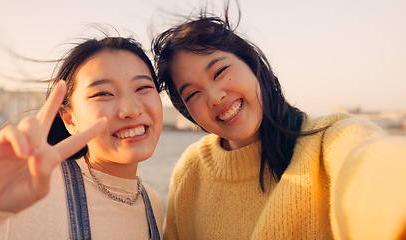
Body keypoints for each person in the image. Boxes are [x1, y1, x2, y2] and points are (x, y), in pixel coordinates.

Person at [152, 10, 406, 240]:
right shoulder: (191, 169)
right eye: (193, 94)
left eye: (219, 72)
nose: (215, 97)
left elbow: (372, 166)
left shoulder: (328, 140)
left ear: (252, 64)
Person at [0, 36, 163, 239]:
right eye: (103, 94)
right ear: (70, 119)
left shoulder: (153, 204)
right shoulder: (33, 191)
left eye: (143, 88)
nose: (130, 110)